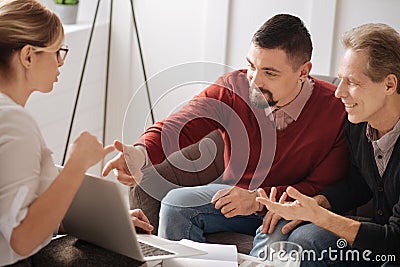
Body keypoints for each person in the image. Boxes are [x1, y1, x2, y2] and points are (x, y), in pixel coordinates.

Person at [103, 14, 348, 244]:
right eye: (252, 66)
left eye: (269, 73)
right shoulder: (235, 87)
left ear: (303, 71)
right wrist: (140, 152)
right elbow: (182, 123)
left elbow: (321, 186)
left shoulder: (336, 109)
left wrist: (258, 200)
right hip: (235, 198)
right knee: (175, 204)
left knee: (275, 240)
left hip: (289, 209)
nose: (254, 80)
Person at [0, 1, 153, 266]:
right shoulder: (13, 123)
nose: (61, 62)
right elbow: (21, 239)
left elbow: (13, 214)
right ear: (27, 56)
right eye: (57, 52)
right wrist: (77, 164)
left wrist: (107, 224)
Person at [256, 23, 400, 266]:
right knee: (290, 231)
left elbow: (394, 239)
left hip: (393, 244)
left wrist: (319, 216)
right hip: (381, 237)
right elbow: (358, 185)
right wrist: (315, 203)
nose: (338, 92)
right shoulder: (358, 126)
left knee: (308, 238)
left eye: (352, 82)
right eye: (340, 79)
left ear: (389, 85)